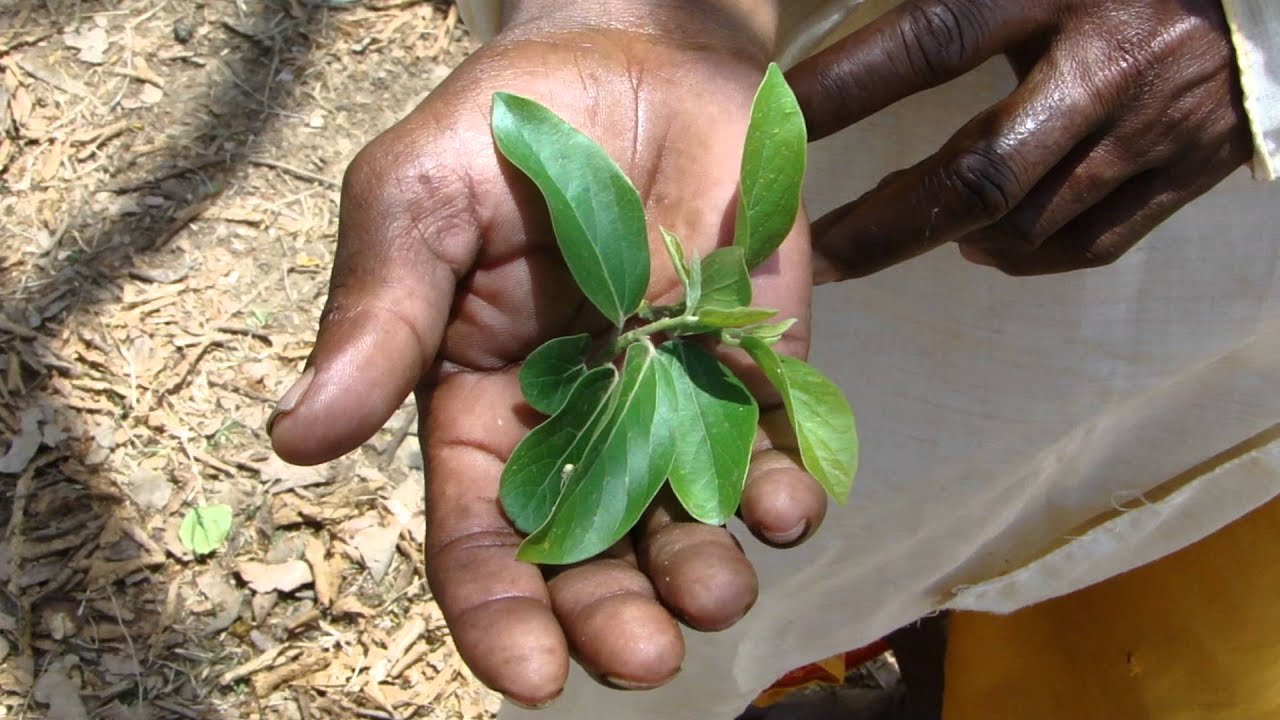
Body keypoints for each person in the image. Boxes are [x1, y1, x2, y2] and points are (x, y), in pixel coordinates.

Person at [267, 1, 1280, 717]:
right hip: (783, 124)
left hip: (1217, 248)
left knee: (1139, 579)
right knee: (875, 487)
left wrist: (1240, 35)